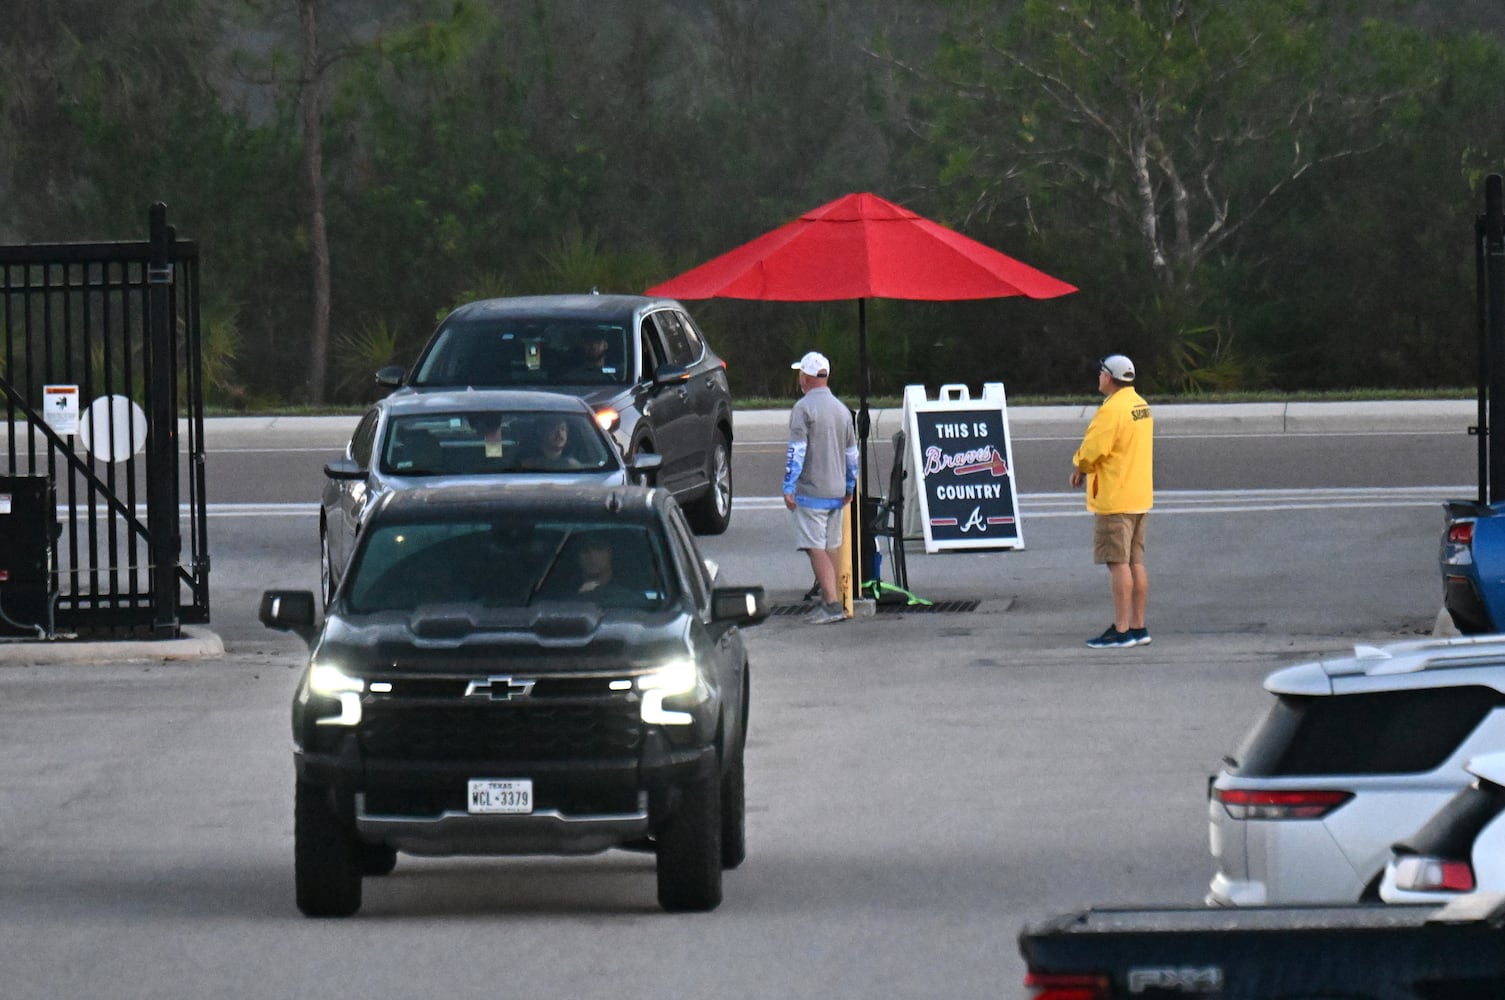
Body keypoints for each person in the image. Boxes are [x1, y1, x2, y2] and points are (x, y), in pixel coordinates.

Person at [1070, 354, 1154, 648]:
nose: (1099, 377)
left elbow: (1094, 449)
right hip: (1139, 495)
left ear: (1109, 377)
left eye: (1101, 373)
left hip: (1115, 497)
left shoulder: (1112, 410)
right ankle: (1138, 626)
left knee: (1117, 563)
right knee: (1135, 562)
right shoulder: (1140, 406)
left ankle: (1121, 630)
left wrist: (1080, 466)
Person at [783, 350, 858, 625]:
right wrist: (850, 485)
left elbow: (797, 451)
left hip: (812, 491)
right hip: (837, 490)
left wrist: (788, 486)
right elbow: (852, 454)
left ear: (805, 377)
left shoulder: (803, 409)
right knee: (831, 546)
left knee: (815, 547)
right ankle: (834, 597)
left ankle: (830, 603)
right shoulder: (841, 410)